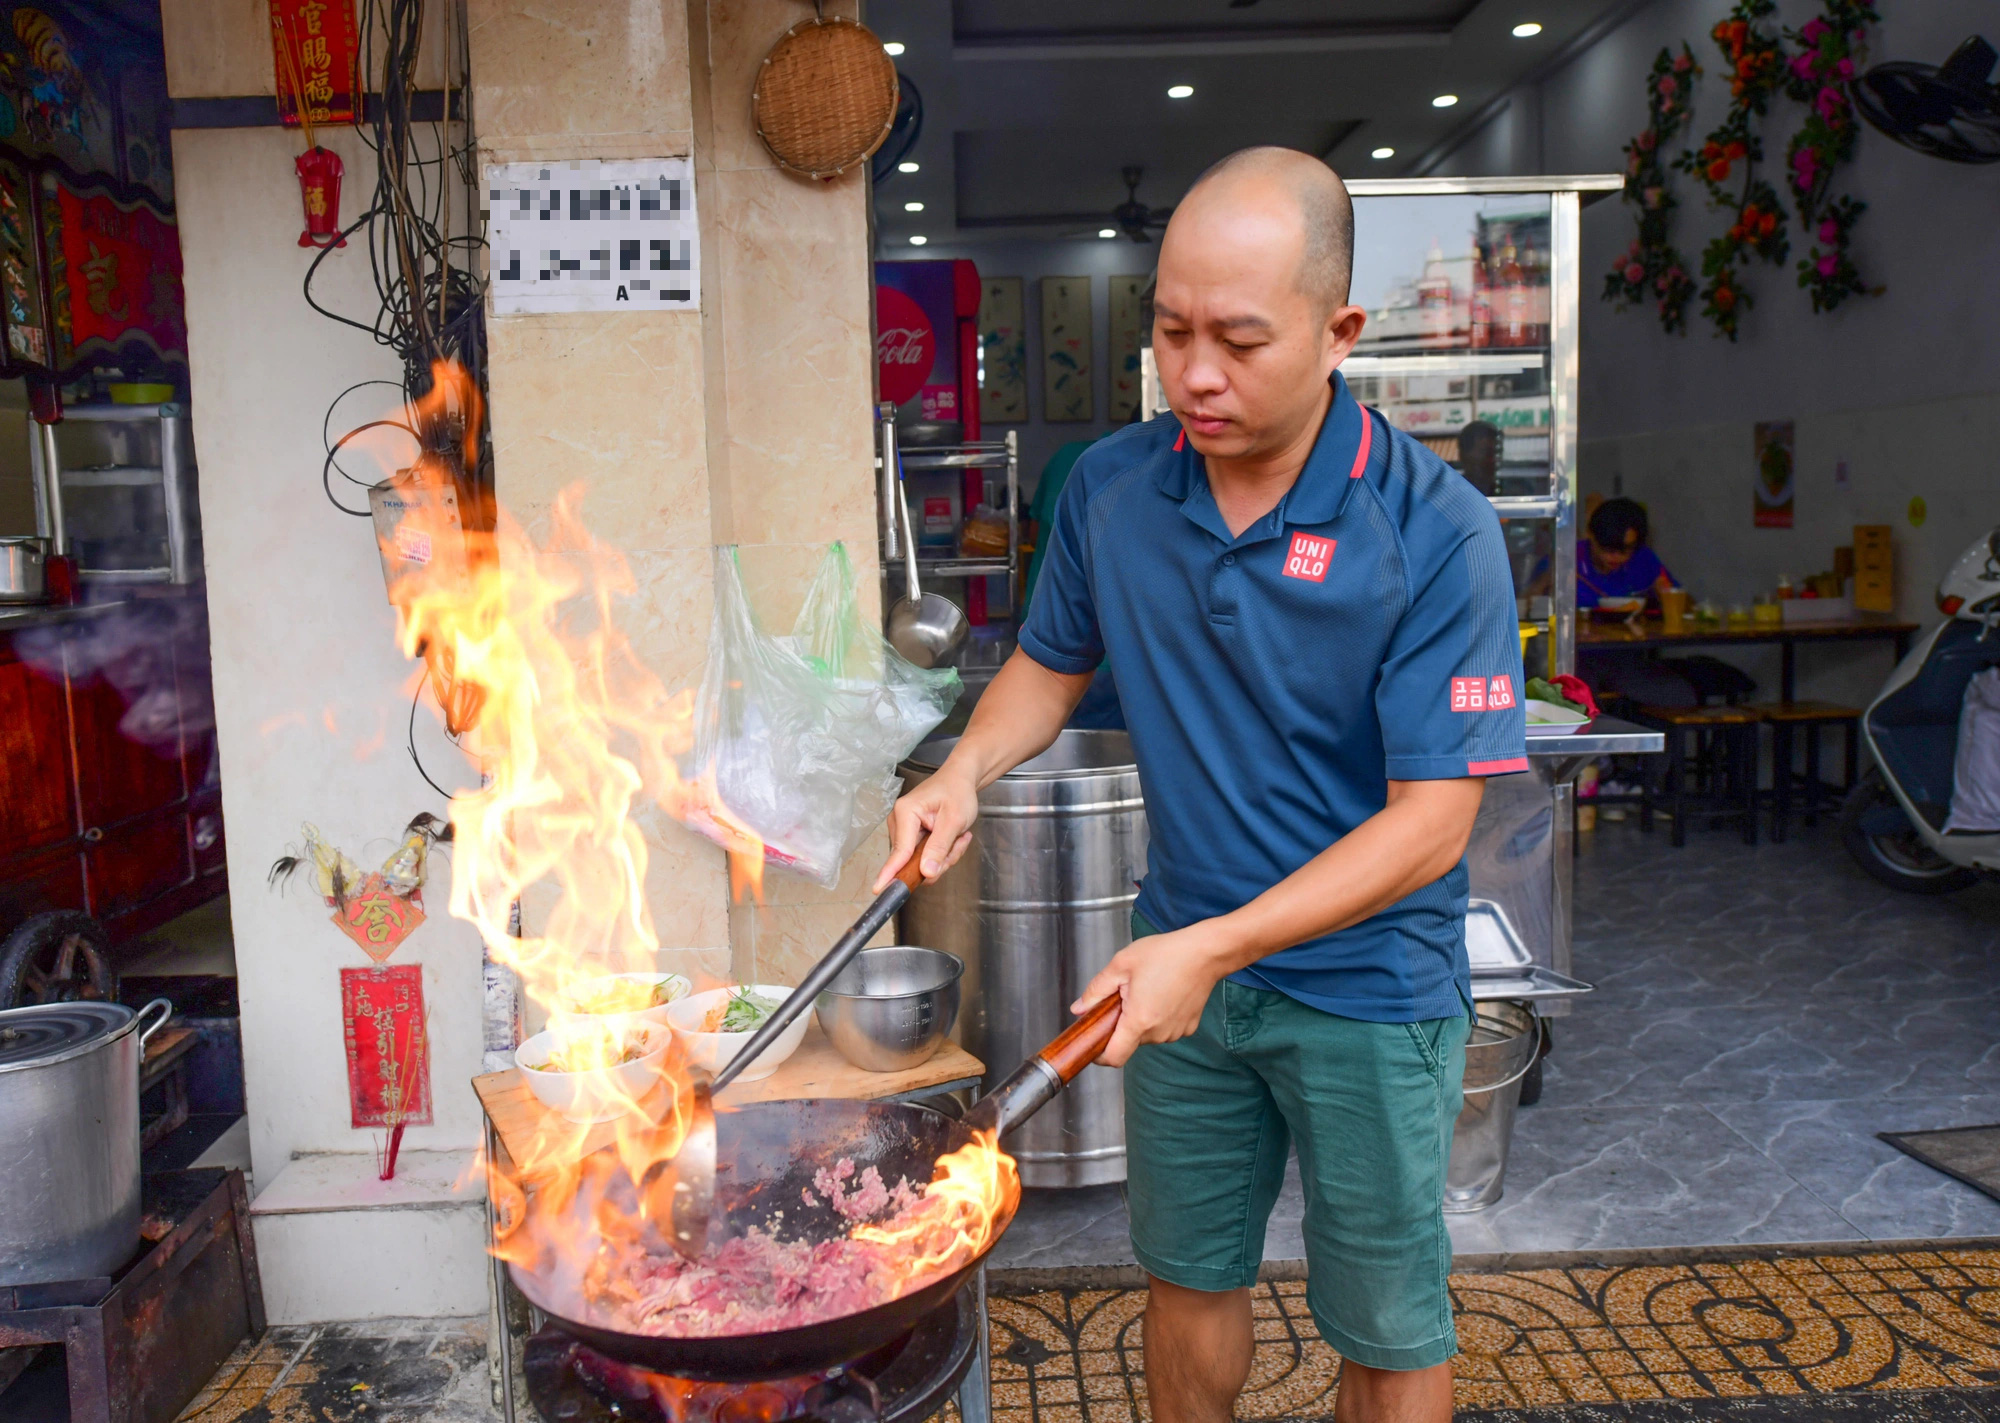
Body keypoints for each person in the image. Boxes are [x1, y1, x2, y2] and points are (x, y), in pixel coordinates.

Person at [874, 147, 1525, 1423]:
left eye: (1236, 338)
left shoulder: (1432, 530)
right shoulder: (1115, 490)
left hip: (1368, 989)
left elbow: (1432, 825)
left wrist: (1210, 947)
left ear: (1339, 330)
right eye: (1169, 332)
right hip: (1181, 972)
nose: (1195, 374)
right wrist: (958, 773)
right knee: (1184, 1277)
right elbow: (1050, 670)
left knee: (1387, 1327)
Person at [1578, 496, 1676, 609]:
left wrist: (1665, 596)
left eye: (1626, 549)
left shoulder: (1642, 558)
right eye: (1608, 548)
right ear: (1590, 535)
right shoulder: (1570, 559)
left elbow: (1688, 603)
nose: (1617, 557)